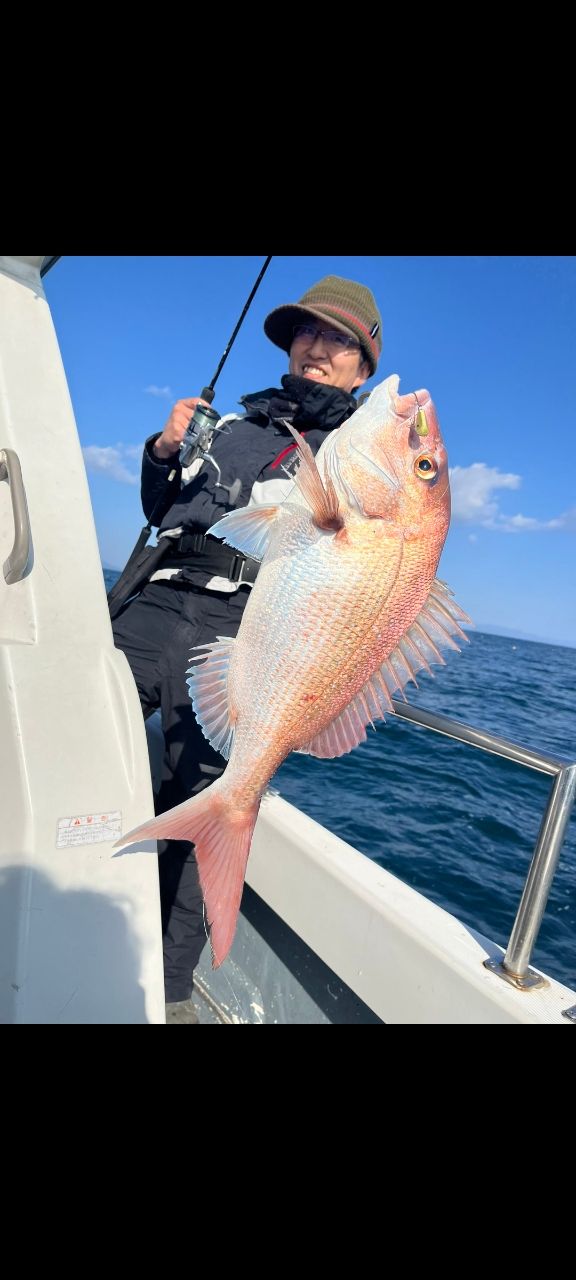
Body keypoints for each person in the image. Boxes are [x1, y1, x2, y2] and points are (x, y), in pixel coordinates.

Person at [112, 274, 383, 1022]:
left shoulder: (355, 452)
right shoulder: (232, 424)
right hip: (152, 606)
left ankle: (168, 994)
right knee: (71, 737)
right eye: (306, 332)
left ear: (365, 363)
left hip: (245, 632)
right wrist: (164, 449)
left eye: (337, 339)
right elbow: (161, 505)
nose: (315, 347)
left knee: (206, 810)